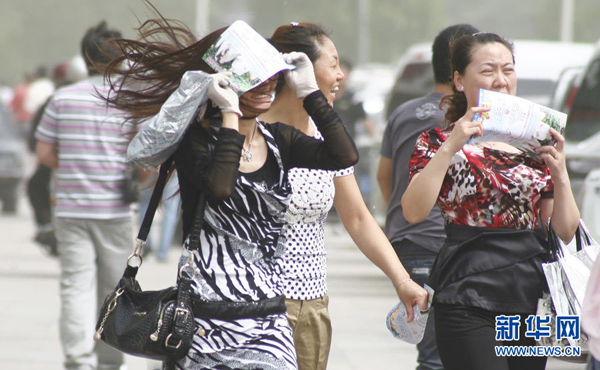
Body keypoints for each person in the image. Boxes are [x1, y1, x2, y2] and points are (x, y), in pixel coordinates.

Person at [101, 14, 359, 369]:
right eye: (254, 79)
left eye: (271, 77)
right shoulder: (197, 142)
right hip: (204, 323)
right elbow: (221, 187)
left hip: (269, 317)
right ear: (226, 83)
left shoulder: (281, 140)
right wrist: (229, 114)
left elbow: (344, 155)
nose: (268, 86)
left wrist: (310, 92)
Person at [401, 32, 580, 370]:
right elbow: (413, 211)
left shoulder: (537, 145)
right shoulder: (437, 139)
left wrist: (561, 174)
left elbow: (564, 230)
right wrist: (452, 144)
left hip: (528, 292)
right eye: (488, 71)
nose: (500, 80)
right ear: (458, 80)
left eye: (508, 70)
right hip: (466, 288)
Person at [260, 22, 428, 370]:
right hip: (254, 307)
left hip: (311, 306)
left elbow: (358, 218)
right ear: (297, 69)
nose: (341, 75)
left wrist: (402, 280)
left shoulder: (327, 139)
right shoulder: (250, 131)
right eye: (332, 64)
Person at [377, 24, 479, 370]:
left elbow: (384, 176)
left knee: (436, 354)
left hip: (408, 243)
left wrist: (407, 216)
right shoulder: (469, 122)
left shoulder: (403, 113)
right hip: (450, 245)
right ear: (460, 69)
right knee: (447, 356)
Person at [35, 21, 136, 370]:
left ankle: (78, 358)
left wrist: (76, 163)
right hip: (116, 212)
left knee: (75, 285)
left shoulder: (62, 98)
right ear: (119, 59)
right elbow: (146, 155)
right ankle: (110, 358)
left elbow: (45, 155)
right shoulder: (129, 99)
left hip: (71, 209)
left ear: (85, 58)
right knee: (114, 288)